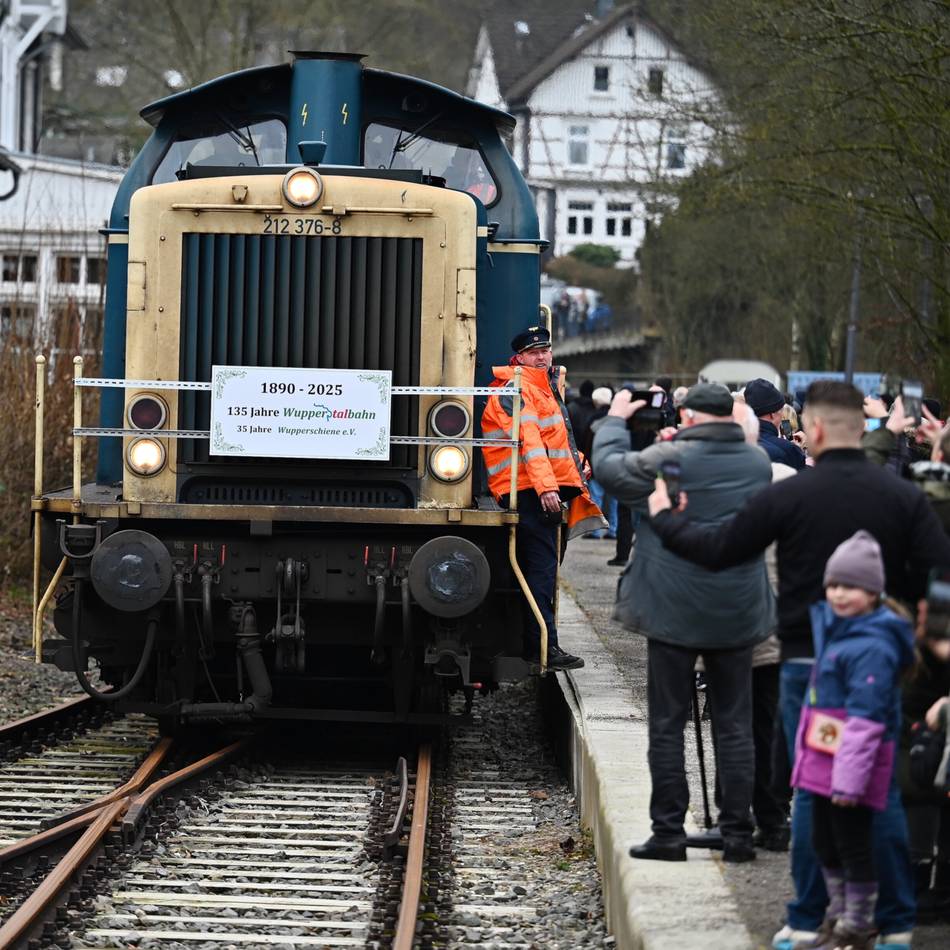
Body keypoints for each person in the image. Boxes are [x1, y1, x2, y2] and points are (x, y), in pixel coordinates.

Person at [647, 380, 950, 950]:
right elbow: (942, 568)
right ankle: (896, 922)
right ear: (864, 428)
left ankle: (808, 917)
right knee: (880, 789)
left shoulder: (792, 496)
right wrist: (931, 637)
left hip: (807, 665)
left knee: (813, 790)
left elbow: (718, 552)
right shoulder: (901, 496)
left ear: (811, 430)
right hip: (882, 664)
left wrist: (665, 516)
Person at [592, 382, 776, 863]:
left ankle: (669, 833)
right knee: (735, 725)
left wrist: (615, 419)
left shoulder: (669, 459)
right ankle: (738, 834)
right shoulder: (757, 463)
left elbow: (611, 472)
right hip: (737, 610)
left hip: (671, 610)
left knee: (668, 724)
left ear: (690, 417)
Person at [791, 531, 914, 950]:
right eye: (835, 585)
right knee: (825, 841)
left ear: (874, 592)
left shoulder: (872, 645)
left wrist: (848, 779)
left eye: (851, 587)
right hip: (827, 761)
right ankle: (839, 916)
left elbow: (865, 721)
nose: (840, 595)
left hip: (850, 768)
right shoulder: (839, 629)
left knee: (852, 845)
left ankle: (857, 923)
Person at [480, 325, 604, 671]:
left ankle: (543, 645)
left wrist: (577, 467)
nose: (542, 356)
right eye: (534, 352)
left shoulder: (543, 389)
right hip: (529, 493)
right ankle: (543, 648)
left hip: (537, 490)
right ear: (519, 358)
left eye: (545, 350)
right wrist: (547, 487)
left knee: (544, 571)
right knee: (541, 572)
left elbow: (555, 442)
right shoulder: (518, 389)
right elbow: (530, 442)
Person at [746, 377, 807, 470]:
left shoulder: (736, 443)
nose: (783, 415)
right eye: (781, 410)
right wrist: (798, 450)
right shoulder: (787, 449)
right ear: (772, 414)